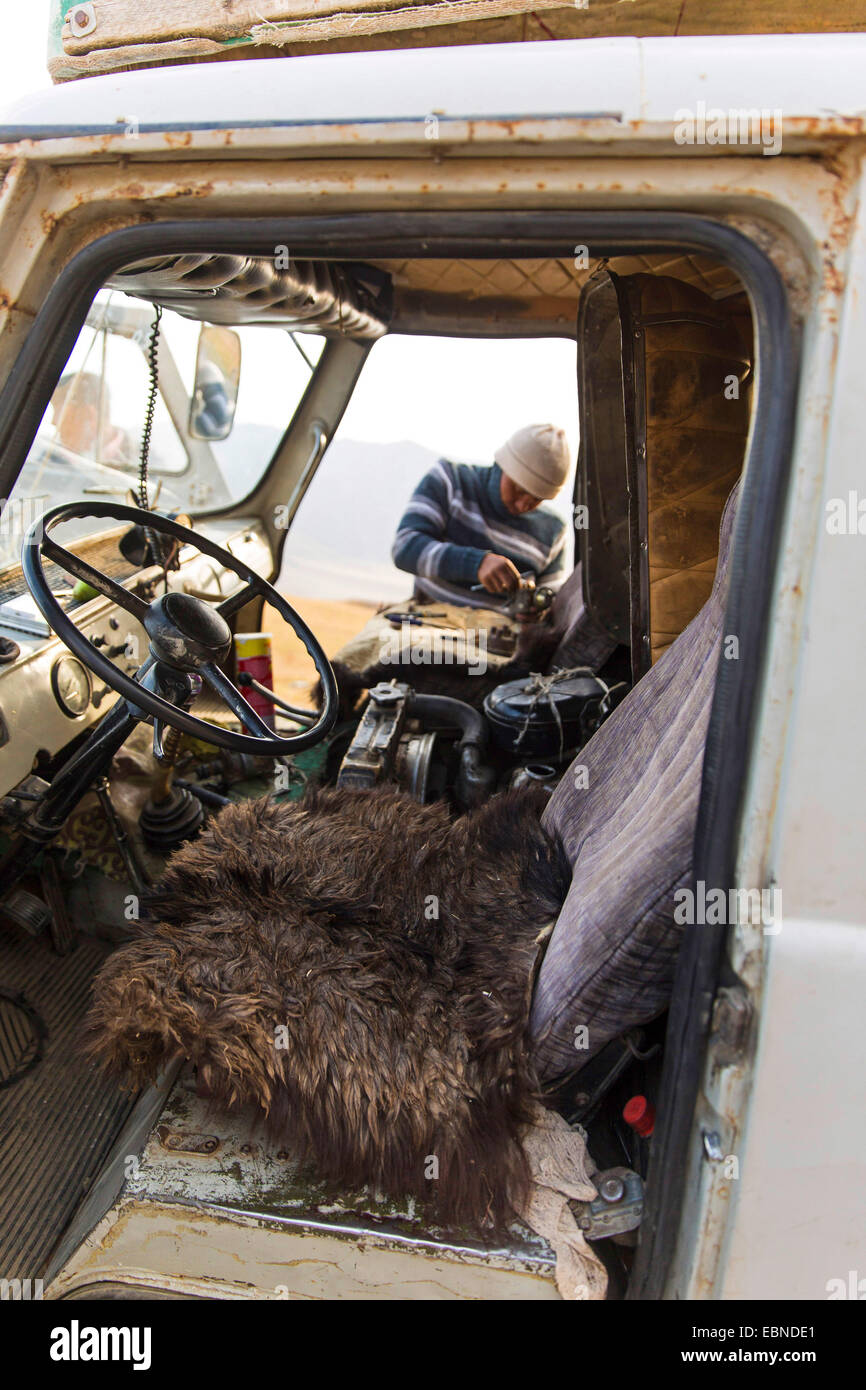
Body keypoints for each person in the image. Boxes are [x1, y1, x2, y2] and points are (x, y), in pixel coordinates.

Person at [391, 423, 570, 608]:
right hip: (429, 626)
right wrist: (475, 564)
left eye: (537, 500)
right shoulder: (450, 480)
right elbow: (404, 548)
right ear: (503, 465)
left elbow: (551, 601)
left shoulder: (554, 531)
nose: (523, 504)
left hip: (498, 635)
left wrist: (536, 609)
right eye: (518, 490)